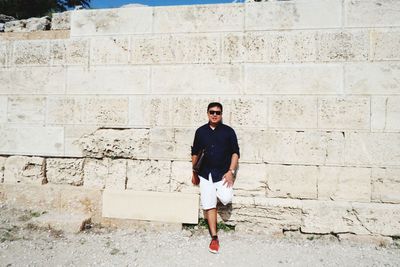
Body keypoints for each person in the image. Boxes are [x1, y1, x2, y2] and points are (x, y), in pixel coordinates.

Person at [191, 102, 240, 254]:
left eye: (217, 112)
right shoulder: (200, 132)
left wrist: (231, 171)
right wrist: (194, 173)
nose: (214, 115)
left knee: (226, 198)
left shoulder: (228, 131)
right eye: (212, 112)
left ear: (221, 114)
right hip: (205, 174)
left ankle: (213, 197)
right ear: (207, 113)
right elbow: (195, 153)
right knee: (209, 205)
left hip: (222, 174)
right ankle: (214, 237)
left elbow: (235, 153)